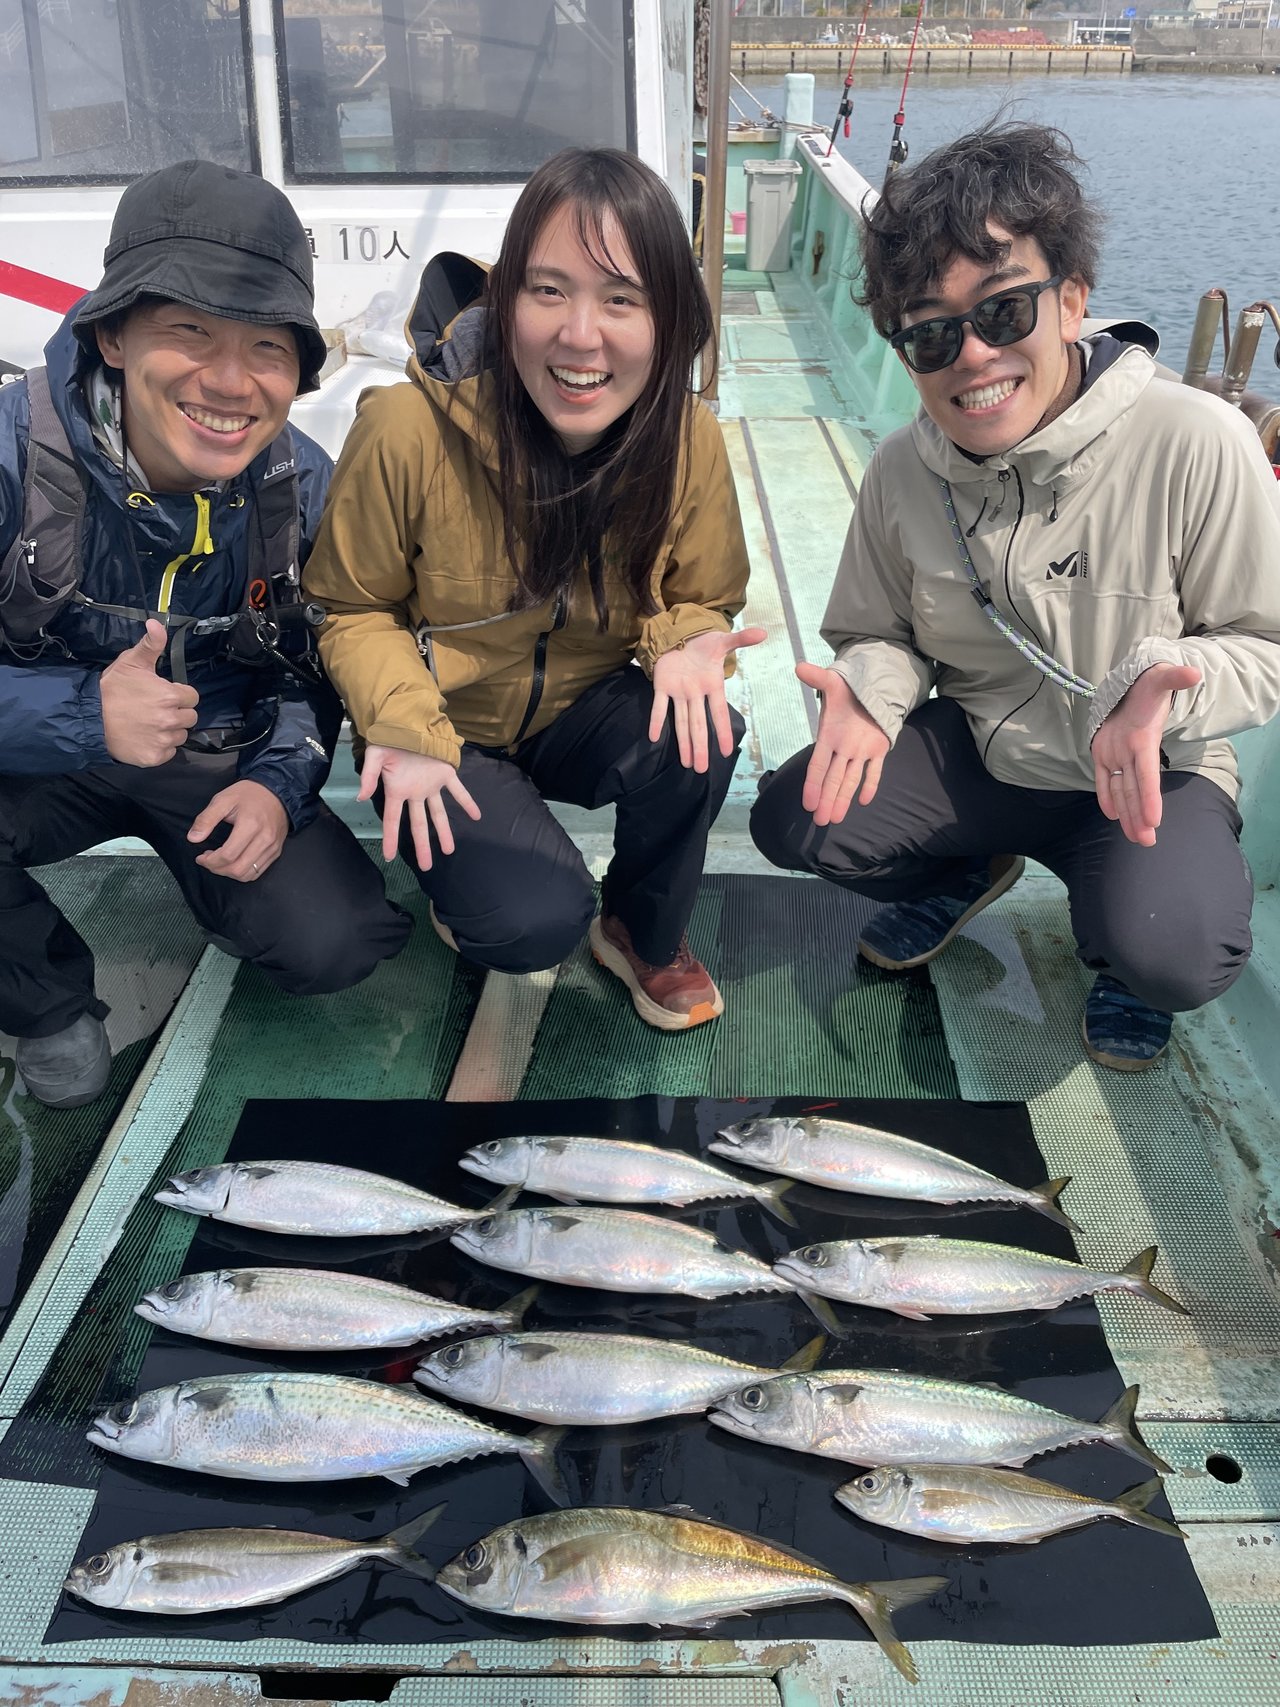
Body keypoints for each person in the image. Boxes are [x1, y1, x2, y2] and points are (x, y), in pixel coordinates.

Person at [750, 123, 1280, 1072]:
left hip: (1148, 775)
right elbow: (875, 630)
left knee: (1176, 950)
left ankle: (1124, 959)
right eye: (930, 332)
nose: (972, 355)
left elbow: (1264, 643)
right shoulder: (901, 469)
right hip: (985, 750)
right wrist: (870, 694)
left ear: (1072, 301)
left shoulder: (1199, 440)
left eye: (1003, 311)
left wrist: (1166, 681)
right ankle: (964, 869)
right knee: (797, 818)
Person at [302, 147, 759, 1030]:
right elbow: (350, 606)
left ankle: (639, 930)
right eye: (548, 290)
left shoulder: (687, 439)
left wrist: (686, 644)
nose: (580, 335)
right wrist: (403, 724)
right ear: (504, 297)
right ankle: (474, 879)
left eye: (621, 299)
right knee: (527, 923)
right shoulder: (404, 429)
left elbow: (703, 597)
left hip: (579, 705)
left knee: (704, 736)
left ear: (667, 318)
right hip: (443, 723)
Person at [0, 160, 412, 1109]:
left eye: (267, 346)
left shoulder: (301, 485)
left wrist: (277, 783)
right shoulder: (10, 453)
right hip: (36, 754)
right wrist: (82, 711)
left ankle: (221, 882)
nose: (230, 381)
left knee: (338, 940)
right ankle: (44, 997)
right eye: (190, 331)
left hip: (213, 752)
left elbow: (312, 667)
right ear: (111, 335)